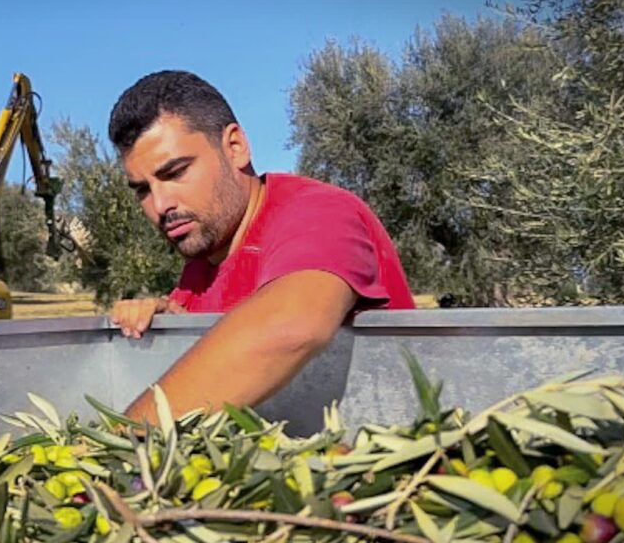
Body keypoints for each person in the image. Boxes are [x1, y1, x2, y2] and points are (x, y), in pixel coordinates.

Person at [107, 70, 415, 424]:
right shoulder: (201, 266)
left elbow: (293, 325)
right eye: (142, 190)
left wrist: (124, 437)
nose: (160, 205)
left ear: (234, 147)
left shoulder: (317, 213)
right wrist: (170, 323)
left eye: (175, 172)